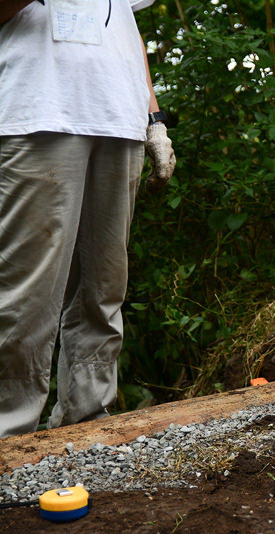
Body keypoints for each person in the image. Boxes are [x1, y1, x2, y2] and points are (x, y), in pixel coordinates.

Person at [0, 0, 176, 437]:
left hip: (119, 120)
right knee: (27, 295)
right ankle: (9, 434)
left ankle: (86, 425)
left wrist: (153, 118)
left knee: (103, 290)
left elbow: (127, 29)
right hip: (39, 114)